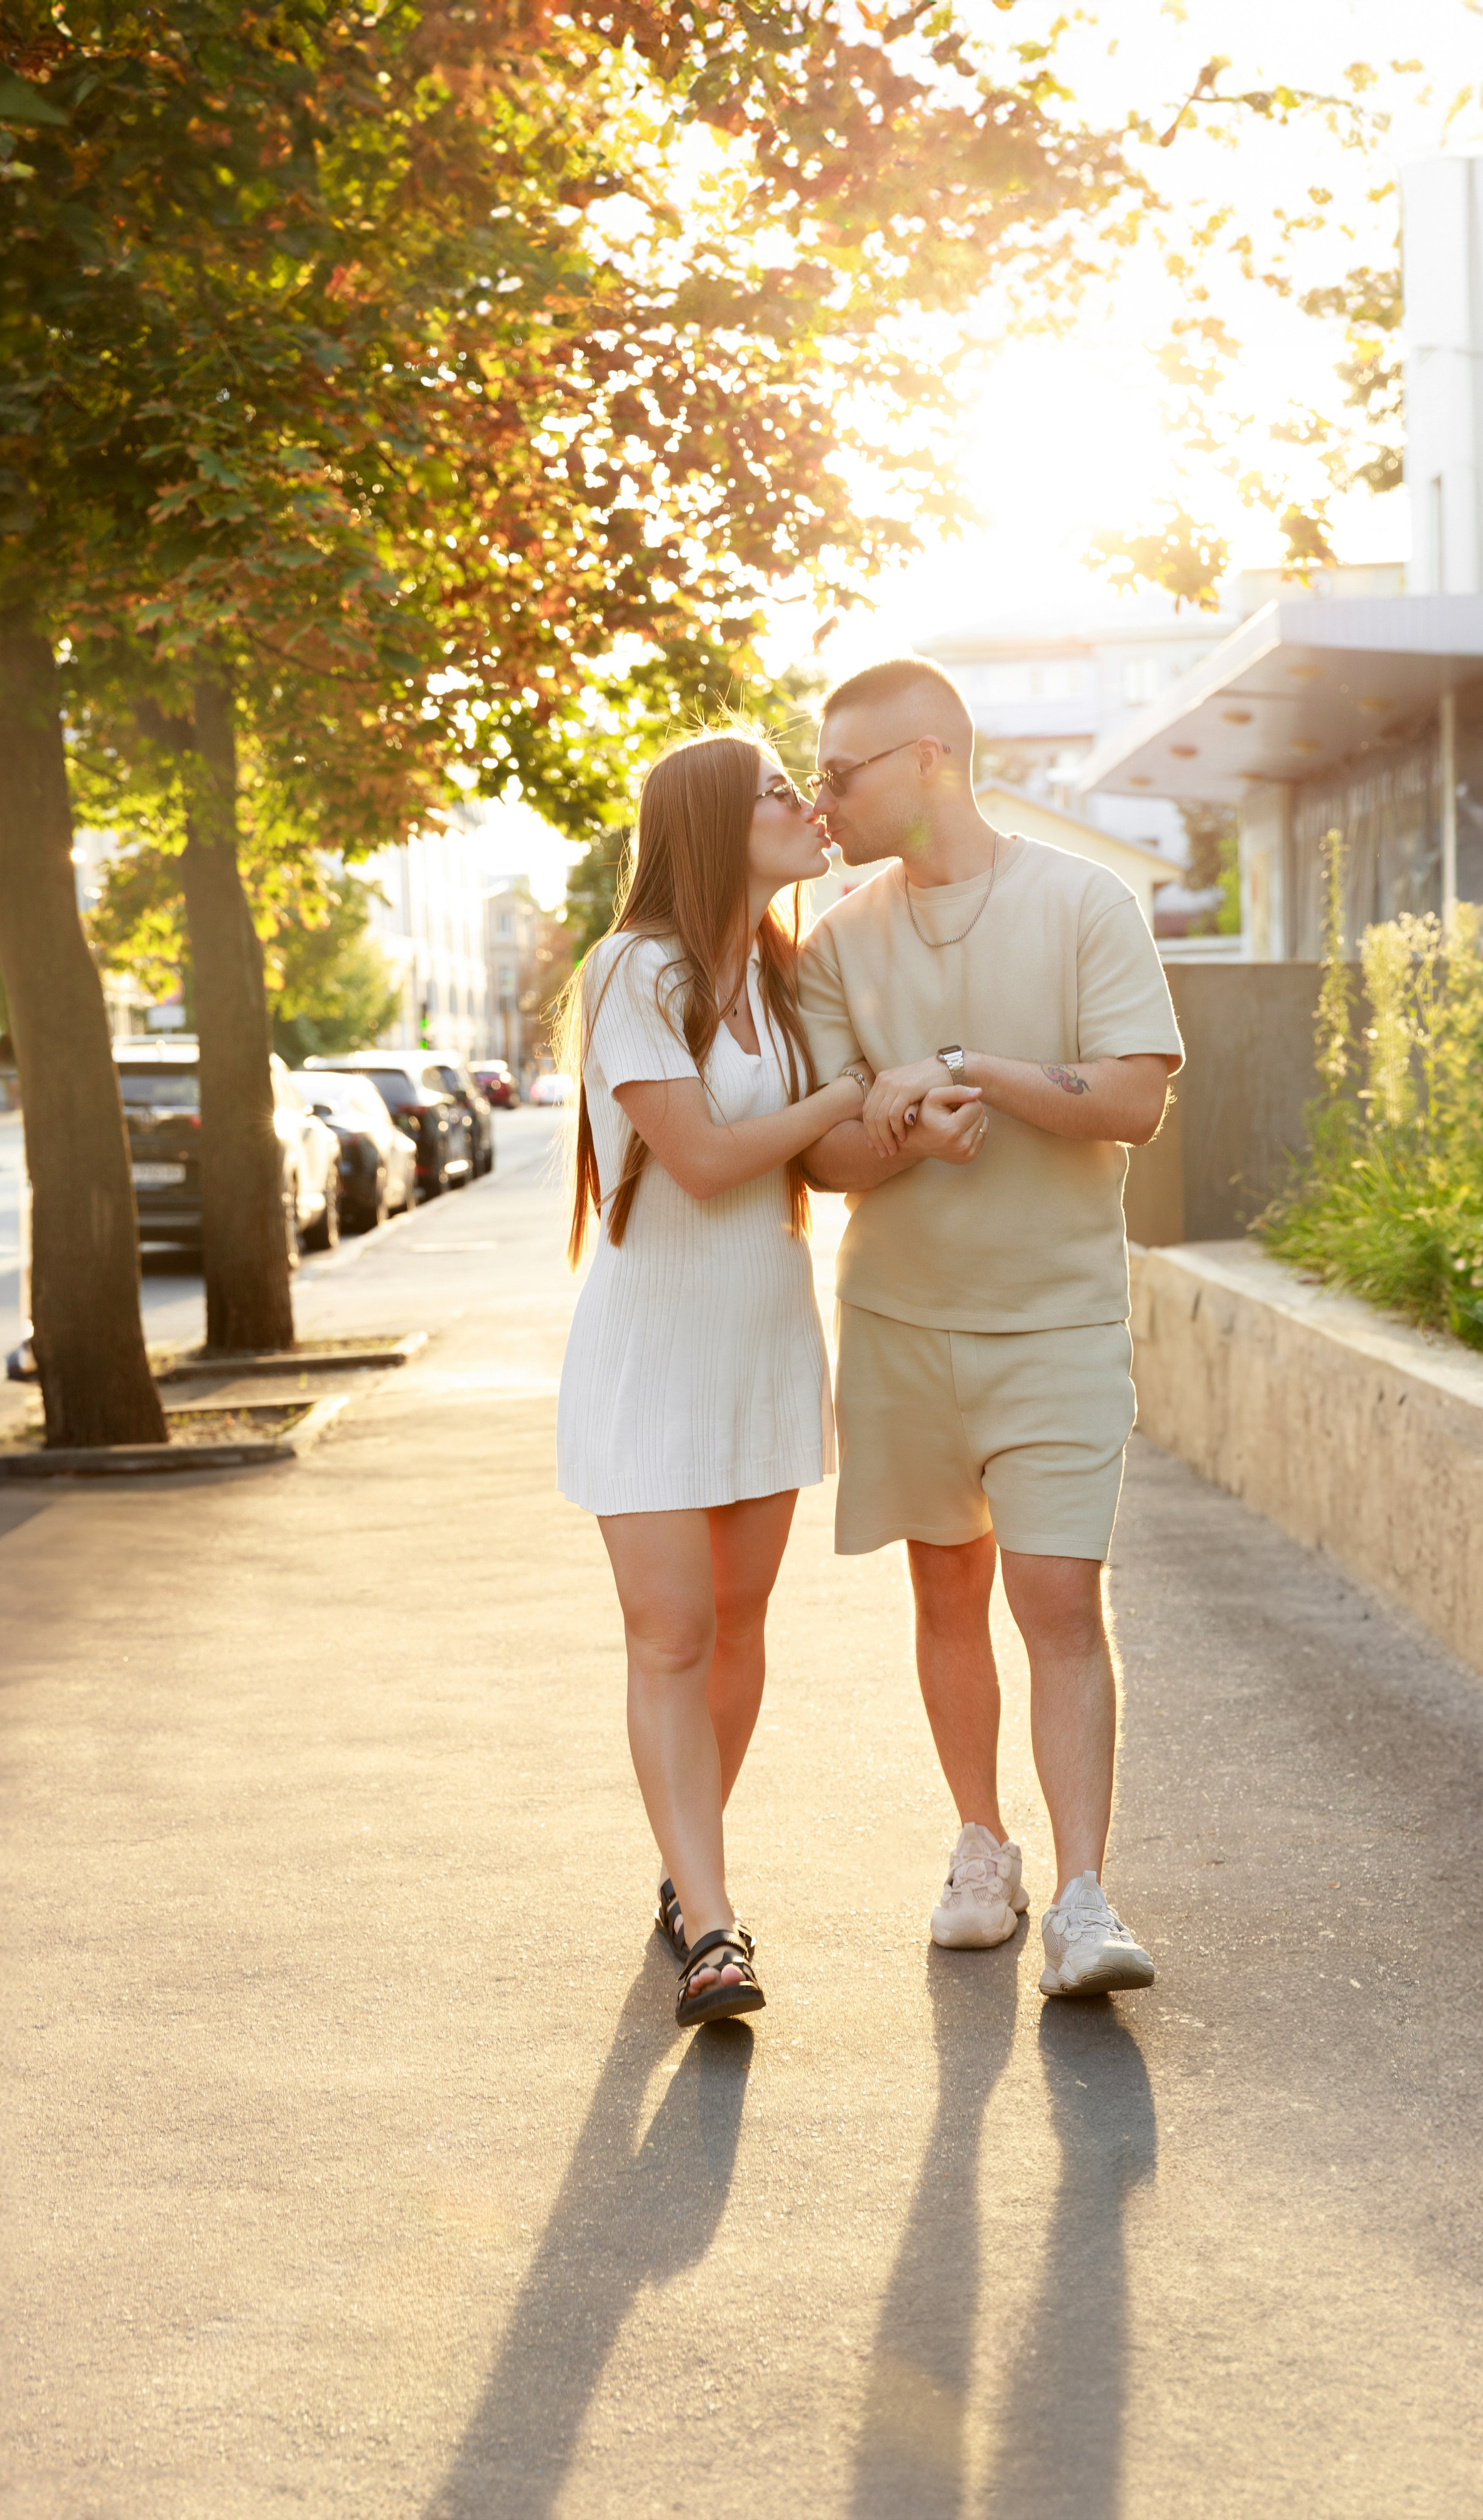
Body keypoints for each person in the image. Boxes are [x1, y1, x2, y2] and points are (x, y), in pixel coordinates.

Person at [555, 731, 985, 2028]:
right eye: (778, 792)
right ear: (708, 824)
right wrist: (850, 1092)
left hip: (762, 1346)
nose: (809, 804)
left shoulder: (786, 975)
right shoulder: (635, 969)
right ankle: (714, 1928)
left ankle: (686, 1872)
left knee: (737, 1630)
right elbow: (697, 1160)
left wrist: (903, 1126)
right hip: (651, 1356)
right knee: (669, 1634)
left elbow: (818, 1165)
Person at [797, 657, 1184, 1999]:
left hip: (1057, 1319)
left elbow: (1132, 1099)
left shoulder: (1084, 901)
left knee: (1058, 1598)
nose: (820, 800)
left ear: (928, 760)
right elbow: (825, 1156)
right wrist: (905, 1131)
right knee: (944, 1591)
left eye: (839, 774)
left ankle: (1082, 1896)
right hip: (899, 1318)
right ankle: (983, 1849)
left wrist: (968, 1070)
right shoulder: (835, 939)